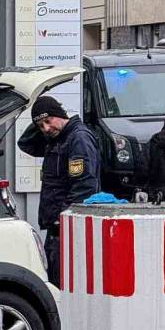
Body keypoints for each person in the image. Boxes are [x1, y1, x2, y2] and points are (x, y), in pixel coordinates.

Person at [17, 96, 101, 286]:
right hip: (58, 227)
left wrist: (63, 216)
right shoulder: (56, 139)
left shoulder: (78, 138)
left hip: (68, 228)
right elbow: (25, 143)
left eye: (48, 121)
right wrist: (40, 118)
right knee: (54, 283)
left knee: (63, 285)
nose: (45, 129)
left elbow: (84, 185)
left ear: (59, 114)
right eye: (40, 126)